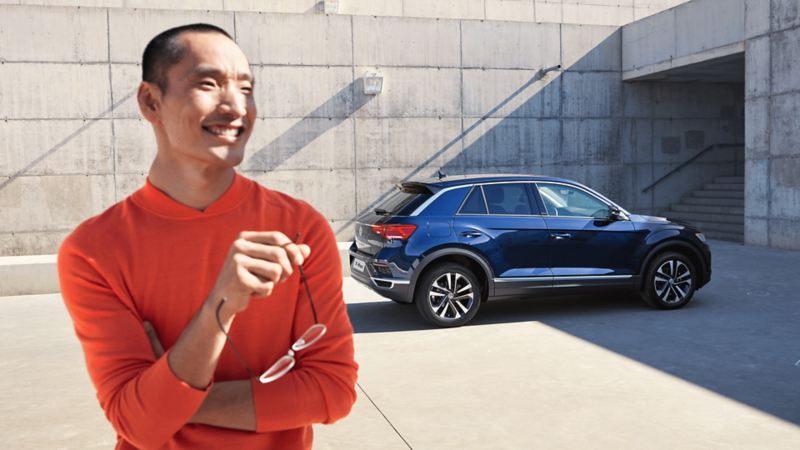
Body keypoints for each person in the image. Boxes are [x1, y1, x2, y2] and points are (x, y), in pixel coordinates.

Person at [57, 23, 358, 450]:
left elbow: (332, 391)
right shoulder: (93, 251)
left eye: (246, 88)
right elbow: (138, 426)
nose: (236, 106)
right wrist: (222, 305)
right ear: (150, 101)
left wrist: (171, 396)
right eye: (208, 84)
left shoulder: (299, 228)